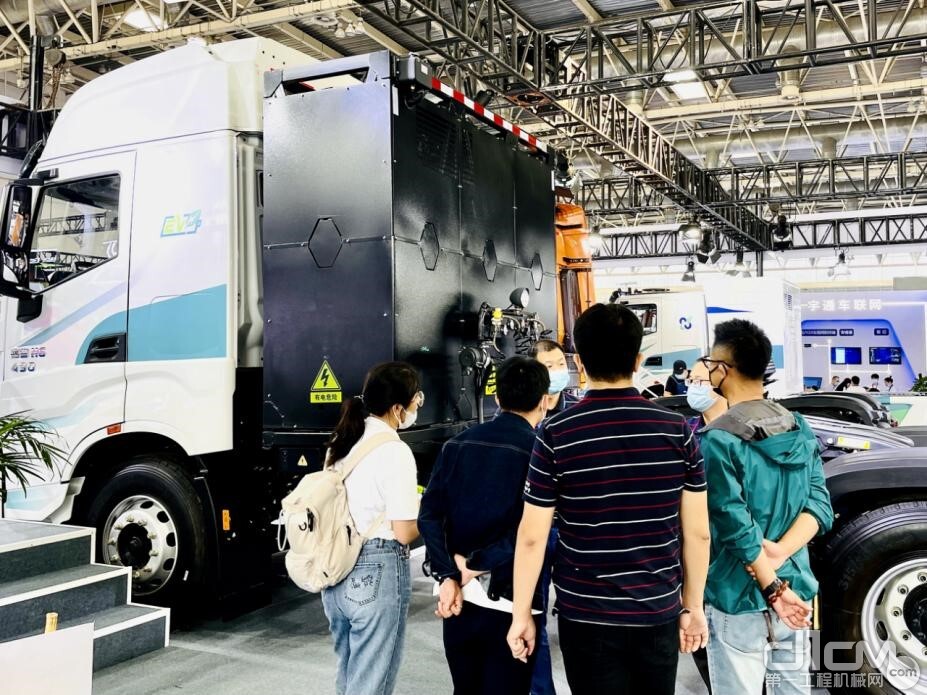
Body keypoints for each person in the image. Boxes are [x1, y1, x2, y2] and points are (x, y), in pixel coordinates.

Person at [507, 303, 711, 695]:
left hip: (585, 613)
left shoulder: (556, 432)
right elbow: (698, 533)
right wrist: (693, 606)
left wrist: (521, 615)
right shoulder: (677, 430)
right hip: (657, 608)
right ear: (637, 361)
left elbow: (532, 536)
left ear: (580, 363)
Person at [699, 320, 834, 694]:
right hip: (797, 587)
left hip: (737, 592)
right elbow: (819, 504)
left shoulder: (718, 439)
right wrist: (781, 553)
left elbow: (734, 523)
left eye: (710, 364)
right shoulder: (797, 426)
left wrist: (771, 583)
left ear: (723, 369)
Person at [419, 356, 550, 694]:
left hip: (458, 598)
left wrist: (448, 574)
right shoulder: (539, 453)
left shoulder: (457, 445)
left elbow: (429, 516)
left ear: (498, 397)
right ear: (544, 401)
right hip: (512, 602)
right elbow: (531, 533)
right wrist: (475, 566)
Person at [321, 362, 423, 695]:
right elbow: (404, 532)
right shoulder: (394, 450)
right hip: (376, 570)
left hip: (335, 570)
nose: (417, 406)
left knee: (350, 677)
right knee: (370, 685)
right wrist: (431, 512)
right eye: (416, 400)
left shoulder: (341, 439)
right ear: (397, 409)